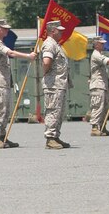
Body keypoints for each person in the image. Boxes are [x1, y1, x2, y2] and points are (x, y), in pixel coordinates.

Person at [0, 19, 36, 149]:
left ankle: (2, 136)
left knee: (4, 110)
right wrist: (28, 56)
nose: (8, 30)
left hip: (3, 82)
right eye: (5, 28)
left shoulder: (0, 42)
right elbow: (11, 53)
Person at [41, 21, 73, 149]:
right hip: (53, 84)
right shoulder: (49, 44)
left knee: (58, 112)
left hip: (59, 84)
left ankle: (55, 136)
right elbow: (46, 62)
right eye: (59, 30)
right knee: (53, 110)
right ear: (52, 31)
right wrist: (46, 73)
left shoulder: (56, 44)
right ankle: (50, 138)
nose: (62, 32)